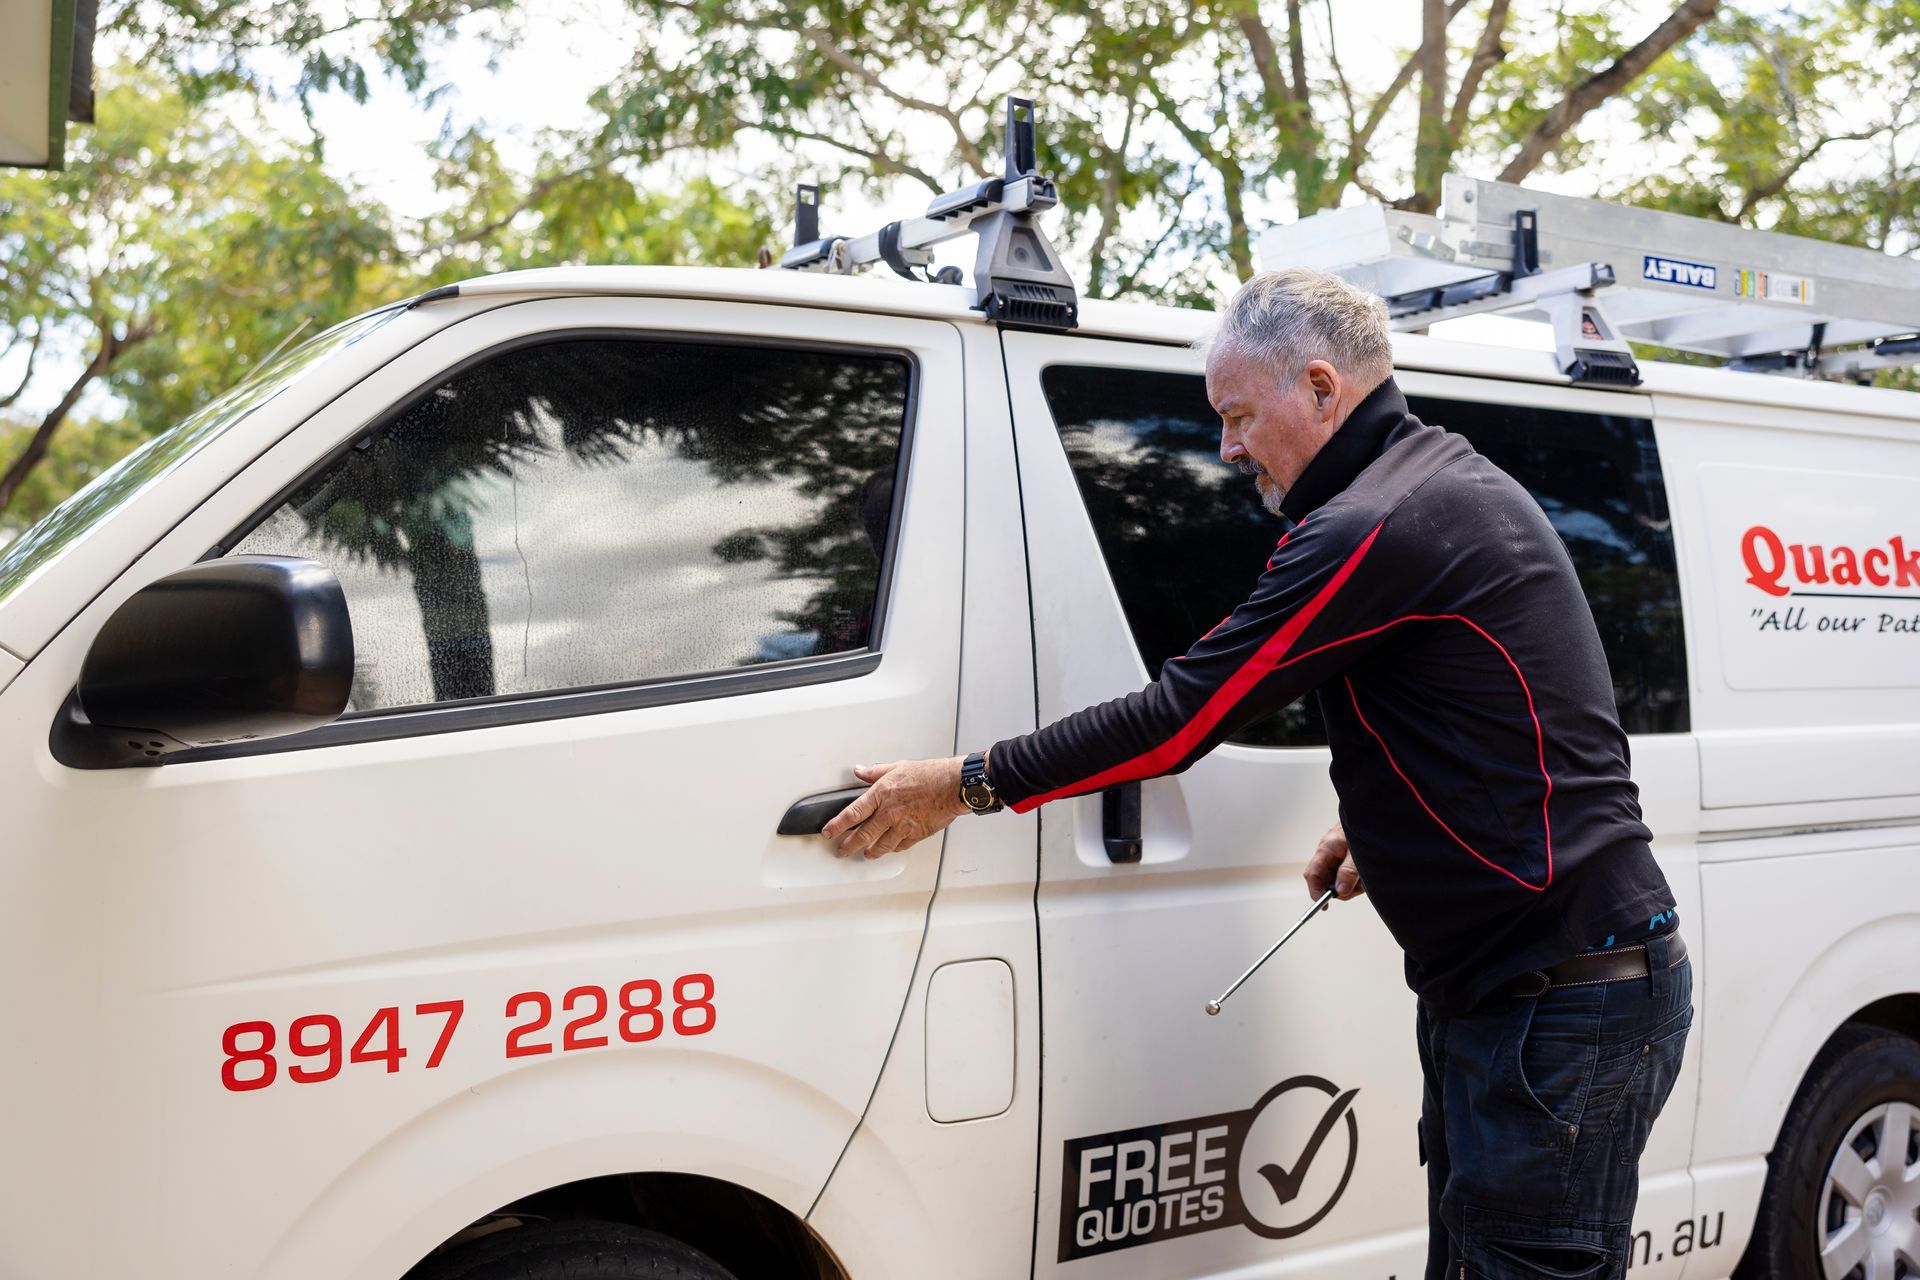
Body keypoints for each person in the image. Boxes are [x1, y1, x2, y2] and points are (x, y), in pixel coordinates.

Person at [821, 267, 1692, 1279]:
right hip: (1535, 990)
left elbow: (1176, 722)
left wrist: (961, 785)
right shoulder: (1439, 480)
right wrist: (1395, 830)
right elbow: (1515, 720)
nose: (1228, 446)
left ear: (1321, 389)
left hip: (1559, 1000)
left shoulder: (1376, 521)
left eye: (1237, 415)